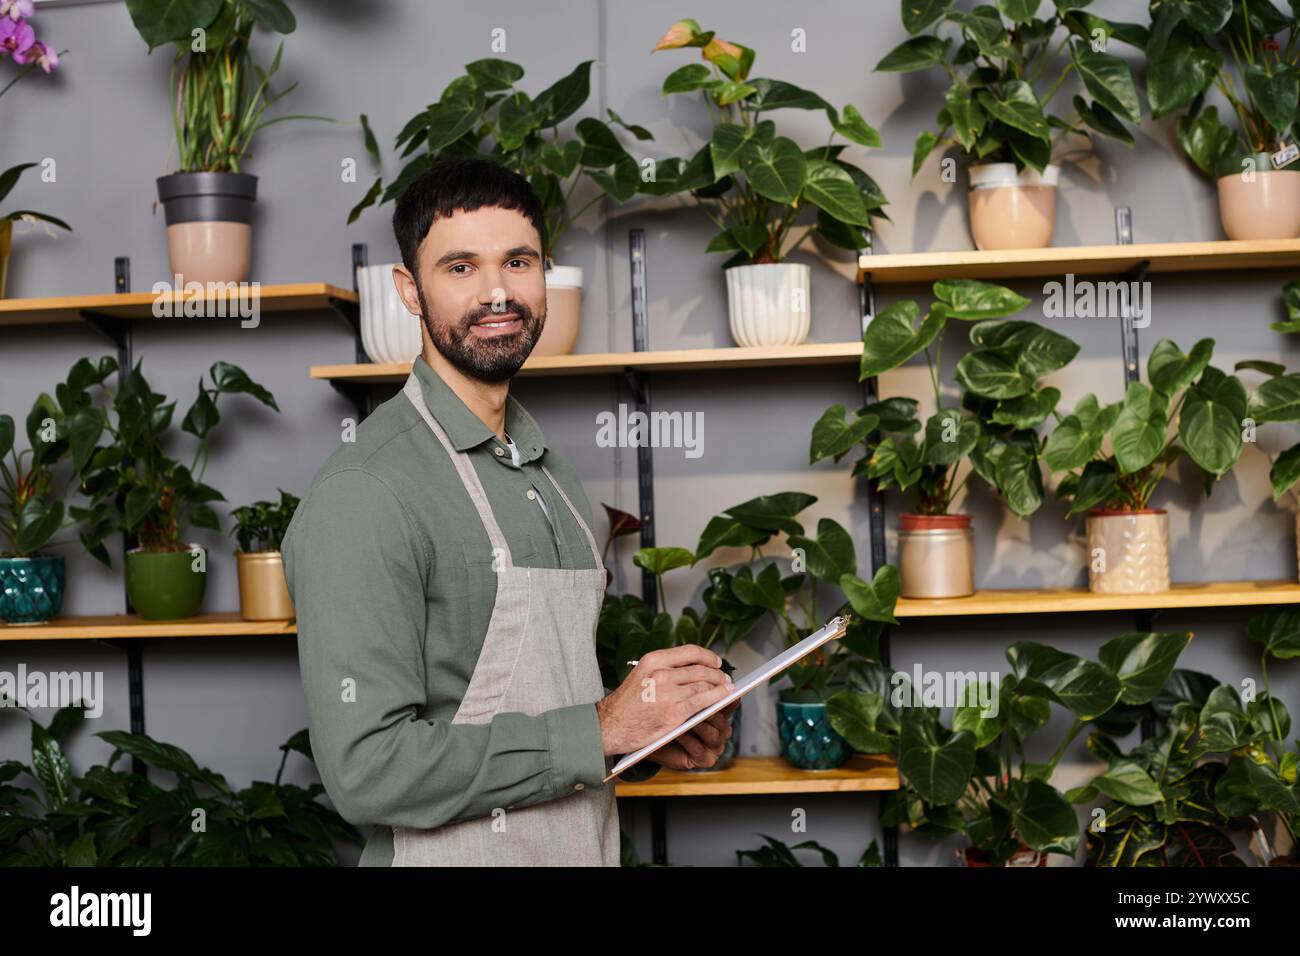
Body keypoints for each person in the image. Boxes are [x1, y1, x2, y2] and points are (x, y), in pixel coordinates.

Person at [282, 156, 738, 866]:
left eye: (518, 261)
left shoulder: (551, 474)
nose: (497, 292)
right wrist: (600, 730)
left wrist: (646, 733)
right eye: (460, 268)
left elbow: (566, 713)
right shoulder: (366, 491)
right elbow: (365, 771)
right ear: (410, 290)